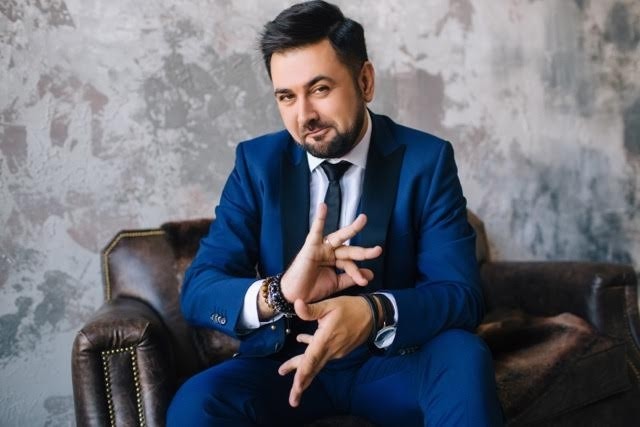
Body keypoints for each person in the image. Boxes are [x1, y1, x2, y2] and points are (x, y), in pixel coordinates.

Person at [167, 1, 503, 426]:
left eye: (320, 89)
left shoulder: (427, 161)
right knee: (197, 401)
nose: (304, 115)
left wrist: (374, 313)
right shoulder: (256, 165)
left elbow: (461, 295)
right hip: (285, 369)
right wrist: (281, 291)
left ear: (365, 81)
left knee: (463, 356)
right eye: (287, 97)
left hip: (392, 364)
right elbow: (200, 289)